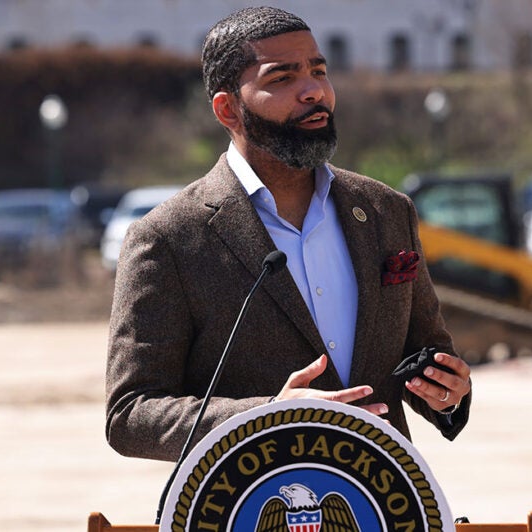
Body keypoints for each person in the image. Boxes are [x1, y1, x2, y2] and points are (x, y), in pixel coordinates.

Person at [106, 6, 471, 462]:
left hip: (382, 501)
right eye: (282, 79)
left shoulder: (386, 211)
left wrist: (446, 391)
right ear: (227, 109)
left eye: (319, 71)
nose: (313, 91)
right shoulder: (168, 238)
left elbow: (423, 355)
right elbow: (130, 413)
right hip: (247, 505)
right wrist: (268, 417)